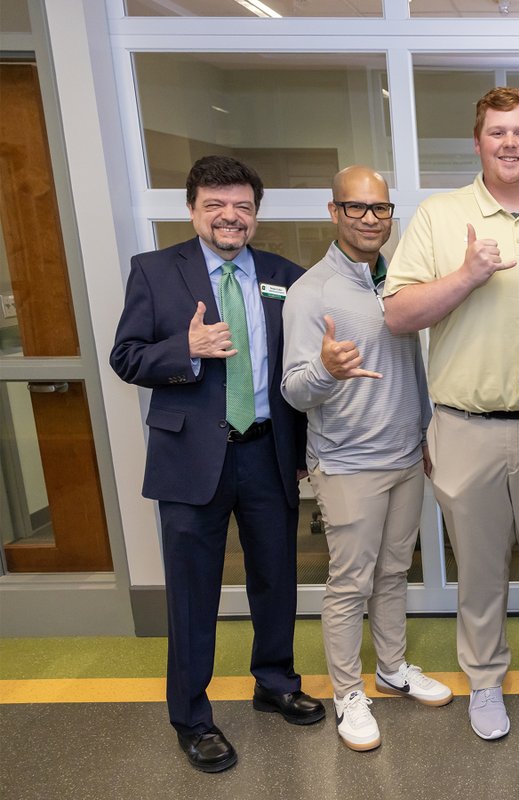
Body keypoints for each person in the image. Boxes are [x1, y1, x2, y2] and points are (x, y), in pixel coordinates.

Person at [381, 87, 519, 741]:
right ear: (478, 142)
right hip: (465, 427)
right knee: (477, 572)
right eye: (497, 132)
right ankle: (484, 682)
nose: (510, 143)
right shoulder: (439, 218)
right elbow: (397, 316)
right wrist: (467, 276)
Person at [110, 155, 323, 774]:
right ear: (193, 208)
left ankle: (274, 680)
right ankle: (192, 716)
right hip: (191, 457)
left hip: (267, 449)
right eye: (215, 205)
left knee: (276, 578)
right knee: (193, 591)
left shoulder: (287, 276)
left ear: (256, 213)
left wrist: (306, 441)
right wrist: (186, 348)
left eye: (243, 206)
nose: (230, 216)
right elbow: (125, 357)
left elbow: (301, 367)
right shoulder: (154, 272)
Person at [281, 166, 452, 753]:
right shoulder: (312, 293)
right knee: (349, 583)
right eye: (356, 209)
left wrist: (427, 430)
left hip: (406, 456)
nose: (370, 219)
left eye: (380, 209)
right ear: (334, 212)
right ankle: (348, 693)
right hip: (348, 462)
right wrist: (328, 370)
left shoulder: (400, 281)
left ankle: (392, 668)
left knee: (393, 573)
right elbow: (295, 390)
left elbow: (413, 369)